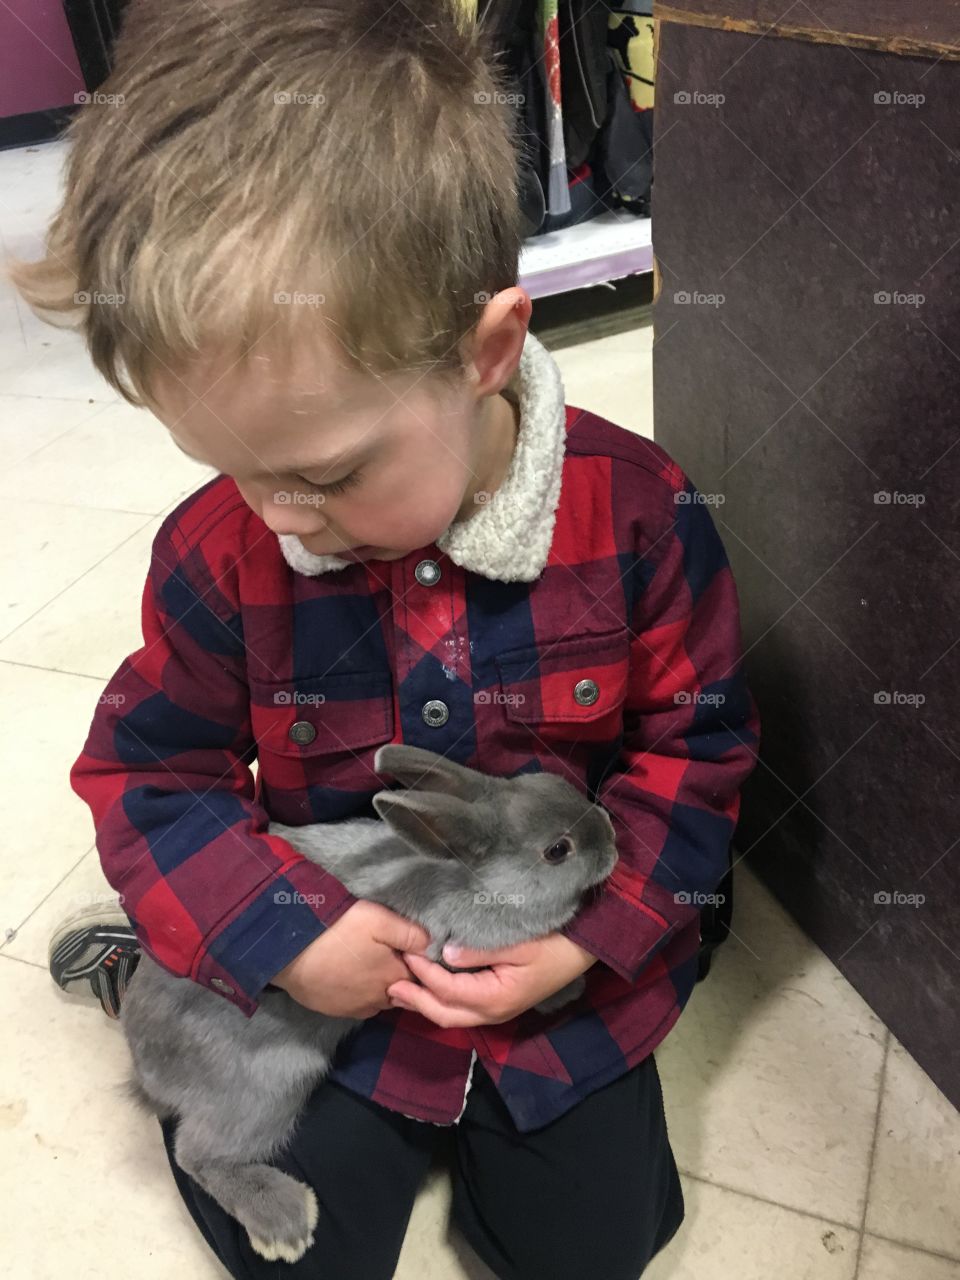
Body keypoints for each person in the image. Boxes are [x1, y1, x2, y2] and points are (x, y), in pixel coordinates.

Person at [11, 2, 760, 1276]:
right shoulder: (220, 551)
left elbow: (699, 752)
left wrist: (585, 941)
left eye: (327, 473)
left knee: (594, 1246)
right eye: (234, 469)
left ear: (487, 350)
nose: (276, 515)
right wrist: (285, 934)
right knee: (300, 1251)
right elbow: (151, 770)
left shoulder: (641, 514)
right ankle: (146, 966)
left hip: (551, 965)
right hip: (334, 974)